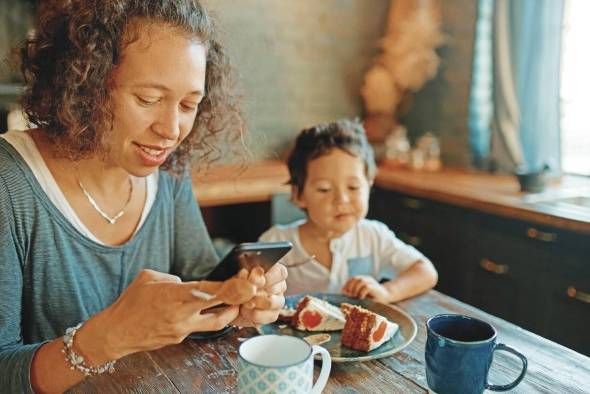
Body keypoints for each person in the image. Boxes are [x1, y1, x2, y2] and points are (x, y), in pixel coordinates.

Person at [0, 1, 287, 393]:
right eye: (149, 99)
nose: (171, 130)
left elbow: (200, 283)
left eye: (189, 105)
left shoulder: (166, 170)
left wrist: (238, 302)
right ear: (83, 82)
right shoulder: (9, 184)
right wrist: (110, 336)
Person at [259, 119, 437, 300]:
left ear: (369, 185)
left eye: (353, 187)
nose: (341, 200)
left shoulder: (374, 236)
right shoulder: (275, 243)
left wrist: (388, 292)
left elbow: (425, 271)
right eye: (324, 189)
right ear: (299, 195)